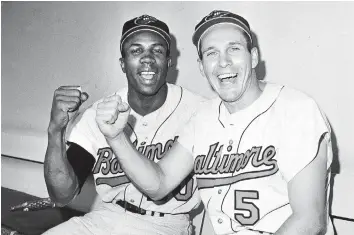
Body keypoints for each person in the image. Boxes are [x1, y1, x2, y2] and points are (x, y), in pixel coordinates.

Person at [94, 10, 335, 235]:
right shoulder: (203, 118)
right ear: (201, 67)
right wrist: (116, 138)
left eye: (234, 49)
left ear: (253, 57)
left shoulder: (295, 109)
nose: (223, 62)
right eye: (211, 53)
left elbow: (309, 220)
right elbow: (158, 184)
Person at [43, 14, 203, 235]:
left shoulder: (199, 111)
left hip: (166, 224)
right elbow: (61, 196)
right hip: (105, 216)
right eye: (136, 51)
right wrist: (55, 129)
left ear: (168, 61)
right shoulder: (98, 113)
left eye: (157, 50)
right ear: (122, 63)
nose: (147, 58)